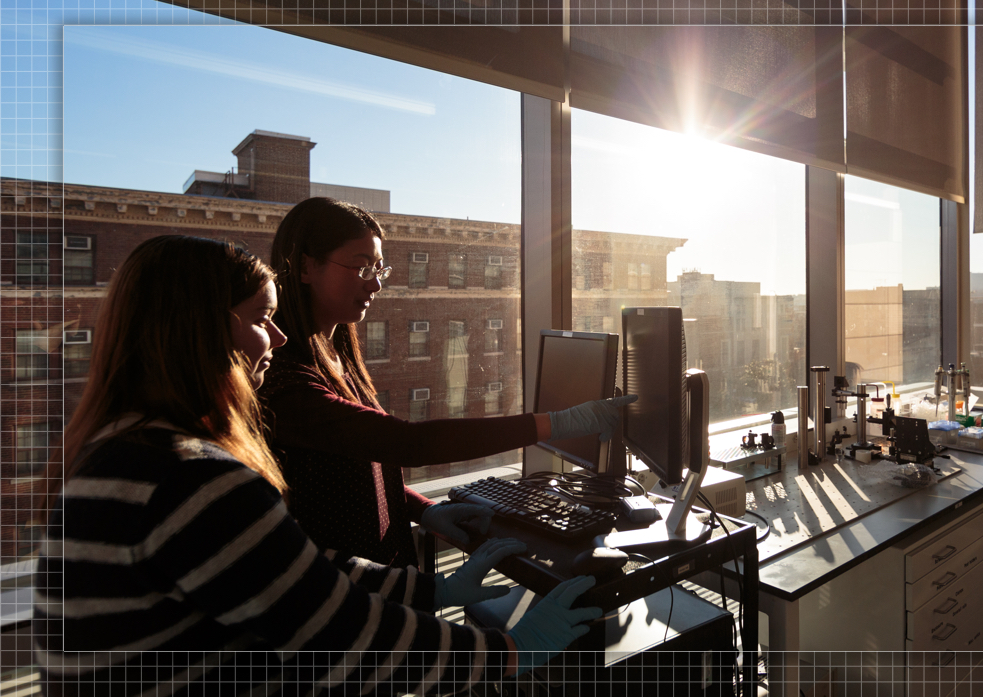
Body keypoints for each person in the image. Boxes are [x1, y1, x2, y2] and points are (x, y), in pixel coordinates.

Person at [33, 235, 602, 694]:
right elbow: (334, 635)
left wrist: (429, 590)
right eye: (260, 318)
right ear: (201, 329)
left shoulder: (124, 451)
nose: (275, 340)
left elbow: (280, 569)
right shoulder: (190, 479)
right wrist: (510, 652)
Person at [263, 197, 635, 567]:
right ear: (306, 267)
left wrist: (424, 511)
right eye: (361, 268)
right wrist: (557, 424)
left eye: (379, 268)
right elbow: (406, 444)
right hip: (345, 600)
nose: (375, 284)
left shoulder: (335, 355)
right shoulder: (282, 380)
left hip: (386, 581)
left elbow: (367, 466)